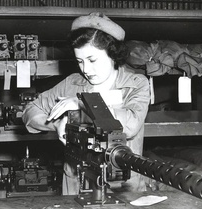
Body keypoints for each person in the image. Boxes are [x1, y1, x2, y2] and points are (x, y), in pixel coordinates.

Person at [22, 12, 150, 195]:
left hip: (122, 187)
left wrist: (82, 103)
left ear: (113, 54)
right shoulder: (72, 83)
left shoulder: (136, 84)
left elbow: (130, 125)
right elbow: (30, 111)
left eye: (92, 60)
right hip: (77, 186)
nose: (86, 69)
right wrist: (56, 124)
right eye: (80, 61)